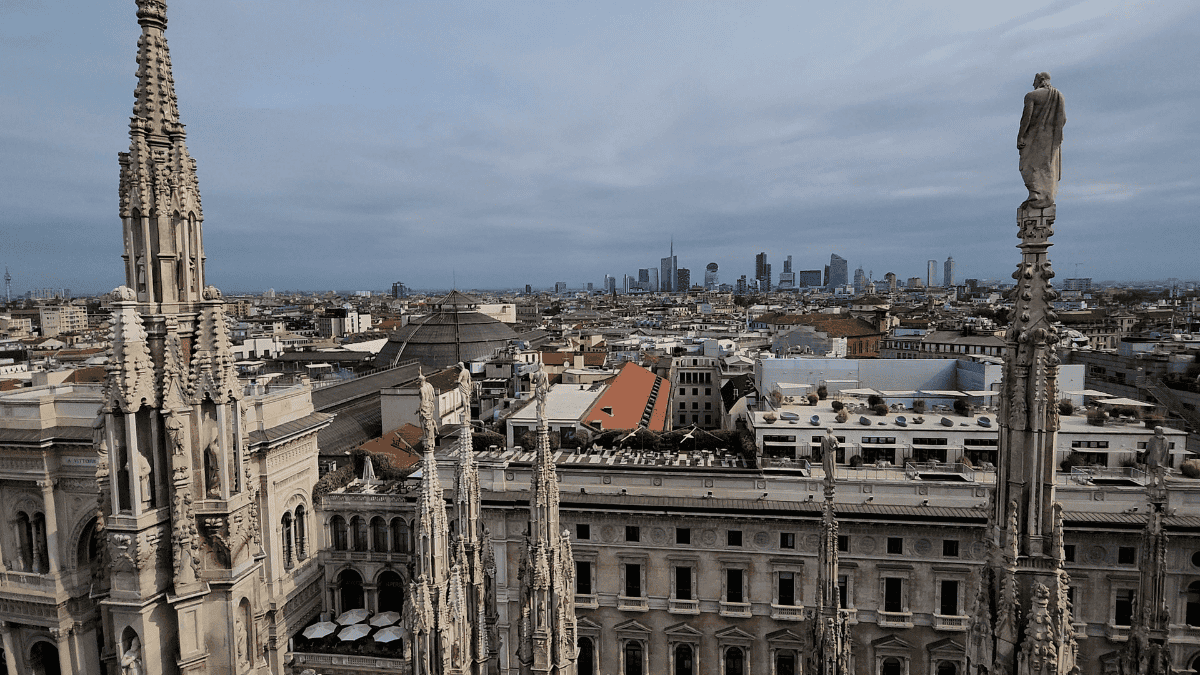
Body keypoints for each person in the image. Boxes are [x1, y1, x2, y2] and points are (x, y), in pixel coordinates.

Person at [1017, 72, 1066, 210]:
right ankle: (1046, 195)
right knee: (1047, 166)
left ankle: (1036, 195)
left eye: (1034, 80)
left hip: (1034, 137)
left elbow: (1026, 119)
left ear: (1041, 80)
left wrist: (1020, 136)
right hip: (1050, 139)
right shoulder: (1059, 96)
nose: (1033, 84)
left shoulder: (1031, 96)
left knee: (1028, 165)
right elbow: (1063, 119)